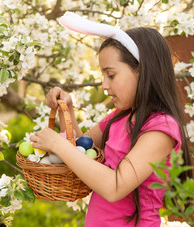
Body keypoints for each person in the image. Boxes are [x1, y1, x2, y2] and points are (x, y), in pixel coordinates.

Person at [30, 12, 193, 226]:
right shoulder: (119, 117)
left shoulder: (160, 129)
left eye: (111, 75)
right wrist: (67, 111)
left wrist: (59, 146)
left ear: (142, 71)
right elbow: (81, 150)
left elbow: (115, 187)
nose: (104, 85)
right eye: (103, 76)